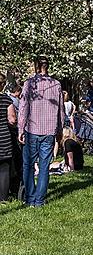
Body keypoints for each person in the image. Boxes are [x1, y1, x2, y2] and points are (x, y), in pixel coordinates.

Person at [18, 56, 64, 207]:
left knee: (29, 165)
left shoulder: (29, 84)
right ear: (47, 66)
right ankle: (39, 200)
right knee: (44, 166)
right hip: (49, 130)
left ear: (36, 67)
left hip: (32, 129)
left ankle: (30, 198)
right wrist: (60, 129)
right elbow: (61, 110)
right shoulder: (56, 84)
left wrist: (20, 128)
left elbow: (23, 108)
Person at [0, 73, 17, 203]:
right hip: (3, 138)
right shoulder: (6, 99)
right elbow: (12, 120)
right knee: (4, 169)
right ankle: (3, 198)